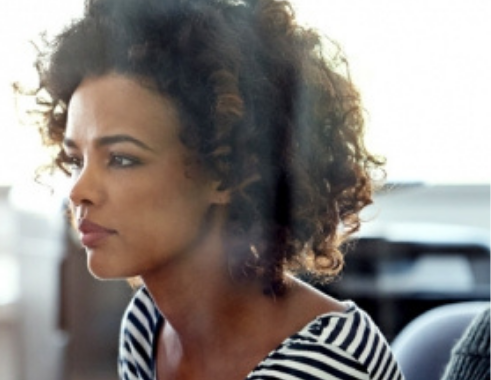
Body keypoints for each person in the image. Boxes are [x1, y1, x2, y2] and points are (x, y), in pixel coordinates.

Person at [29, 0, 400, 378]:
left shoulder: (321, 366)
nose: (78, 192)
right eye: (76, 160)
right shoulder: (147, 327)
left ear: (226, 171)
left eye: (122, 159)